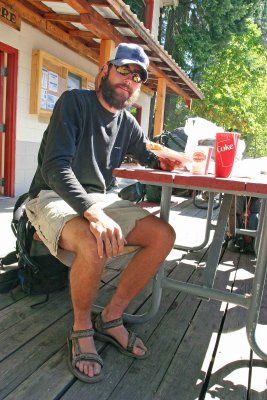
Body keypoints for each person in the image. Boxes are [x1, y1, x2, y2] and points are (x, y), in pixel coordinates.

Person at [25, 43, 182, 383]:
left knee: (163, 235)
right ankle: (81, 326)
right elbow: (55, 167)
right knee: (95, 239)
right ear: (106, 70)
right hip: (52, 195)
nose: (130, 79)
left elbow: (150, 156)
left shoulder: (127, 123)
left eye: (138, 76)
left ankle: (110, 318)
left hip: (101, 198)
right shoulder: (74, 103)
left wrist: (179, 158)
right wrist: (93, 213)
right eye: (124, 70)